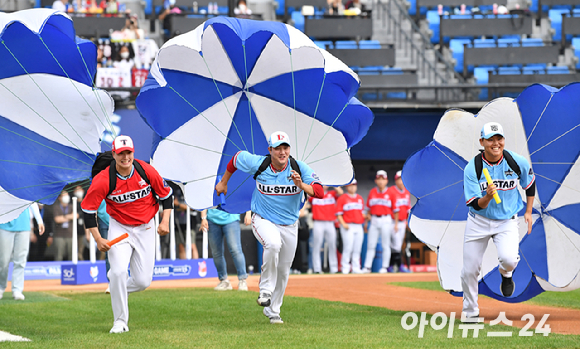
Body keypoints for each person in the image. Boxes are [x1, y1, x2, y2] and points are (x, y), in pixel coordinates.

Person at [215, 131, 323, 324]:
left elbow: (320, 192)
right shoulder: (259, 163)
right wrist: (224, 182)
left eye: (285, 148)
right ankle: (265, 290)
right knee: (272, 244)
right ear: (270, 150)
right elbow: (236, 158)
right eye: (278, 148)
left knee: (284, 270)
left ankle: (273, 311)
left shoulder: (299, 167)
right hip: (262, 218)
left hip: (290, 224)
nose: (282, 152)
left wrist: (301, 184)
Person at [81, 135, 173, 333]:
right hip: (119, 227)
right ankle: (120, 322)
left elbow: (167, 195)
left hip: (146, 226)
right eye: (120, 153)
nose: (125, 157)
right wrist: (98, 239)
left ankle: (117, 284)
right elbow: (88, 211)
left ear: (133, 152)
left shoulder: (146, 170)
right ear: (114, 154)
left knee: (142, 282)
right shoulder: (104, 179)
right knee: (118, 271)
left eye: (128, 152)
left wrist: (165, 221)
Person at [461, 122, 535, 320]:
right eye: (490, 139)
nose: (495, 143)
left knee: (509, 260)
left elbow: (530, 183)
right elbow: (476, 204)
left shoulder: (515, 161)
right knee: (470, 270)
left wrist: (528, 211)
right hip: (479, 220)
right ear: (482, 141)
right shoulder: (473, 168)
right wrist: (487, 196)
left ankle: (506, 274)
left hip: (507, 220)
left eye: (499, 138)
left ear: (503, 140)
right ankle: (470, 313)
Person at [0, 204, 45, 300]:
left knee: (20, 260)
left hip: (24, 225)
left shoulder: (25, 188)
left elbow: (32, 201)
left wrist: (39, 220)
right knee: (3, 261)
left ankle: (17, 289)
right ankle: (1, 287)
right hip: (4, 225)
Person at [200, 209, 251, 291]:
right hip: (212, 219)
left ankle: (242, 280)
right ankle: (224, 281)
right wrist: (203, 218)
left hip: (232, 218)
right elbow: (205, 199)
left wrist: (248, 213)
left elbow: (244, 196)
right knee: (216, 252)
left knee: (235, 249)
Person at [362, 170, 392, 274]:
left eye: (382, 179)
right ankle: (367, 267)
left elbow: (396, 210)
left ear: (386, 181)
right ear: (375, 180)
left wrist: (396, 223)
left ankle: (384, 267)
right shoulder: (372, 192)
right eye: (379, 179)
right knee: (371, 244)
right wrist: (366, 223)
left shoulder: (391, 192)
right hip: (374, 219)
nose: (380, 181)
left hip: (386, 219)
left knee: (385, 244)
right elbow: (368, 210)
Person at [309, 186, 342, 274]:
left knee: (332, 245)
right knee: (317, 246)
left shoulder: (332, 194)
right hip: (318, 222)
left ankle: (334, 269)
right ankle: (317, 269)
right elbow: (307, 196)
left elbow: (341, 193)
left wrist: (333, 184)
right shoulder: (314, 194)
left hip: (330, 223)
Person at [336, 179, 365, 274]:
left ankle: (356, 267)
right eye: (350, 185)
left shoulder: (360, 198)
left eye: (354, 185)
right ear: (347, 186)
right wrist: (343, 223)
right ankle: (345, 267)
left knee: (357, 248)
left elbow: (361, 213)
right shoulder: (342, 198)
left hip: (358, 225)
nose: (352, 187)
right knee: (348, 247)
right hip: (348, 225)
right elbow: (338, 214)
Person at [387, 170, 411, 273]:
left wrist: (407, 222)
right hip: (393, 222)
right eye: (399, 179)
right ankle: (396, 265)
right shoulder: (391, 190)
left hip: (402, 222)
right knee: (395, 245)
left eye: (402, 179)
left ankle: (395, 266)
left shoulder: (406, 192)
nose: (401, 182)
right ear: (396, 180)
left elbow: (407, 209)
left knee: (399, 244)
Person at [53, 191, 78, 261]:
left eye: (67, 195)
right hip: (59, 235)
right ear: (59, 198)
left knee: (72, 256)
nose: (66, 197)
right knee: (58, 256)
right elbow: (57, 219)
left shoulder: (72, 206)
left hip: (70, 234)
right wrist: (70, 217)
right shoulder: (56, 207)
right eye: (64, 195)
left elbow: (76, 216)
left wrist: (63, 217)